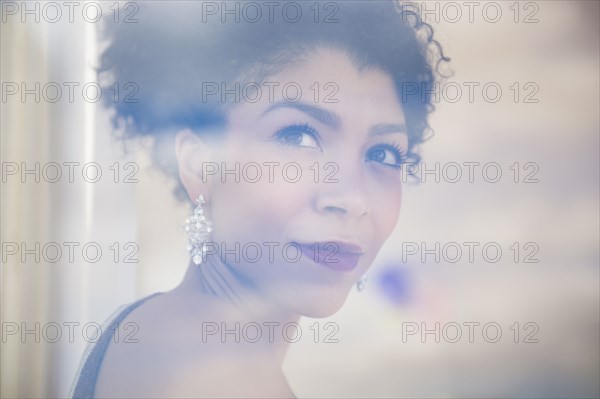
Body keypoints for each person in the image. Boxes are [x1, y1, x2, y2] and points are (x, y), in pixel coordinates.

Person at [71, 1, 448, 397]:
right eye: (299, 136)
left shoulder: (156, 333)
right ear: (201, 165)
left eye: (381, 154)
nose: (352, 197)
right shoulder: (221, 374)